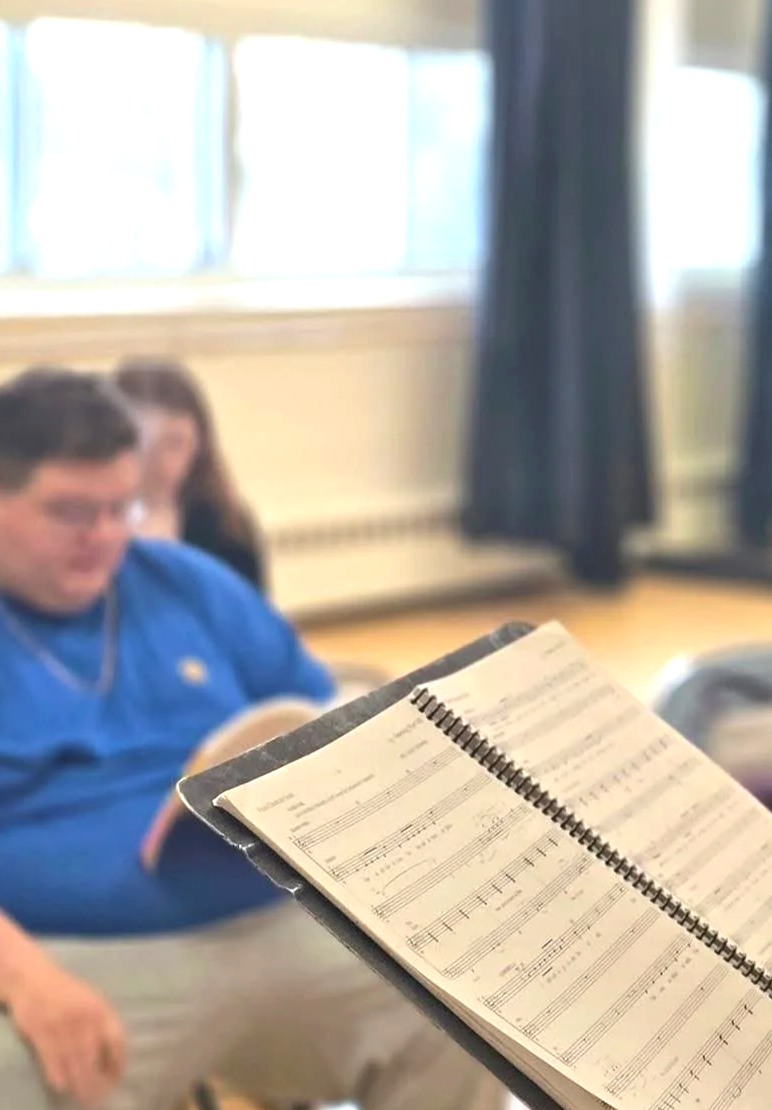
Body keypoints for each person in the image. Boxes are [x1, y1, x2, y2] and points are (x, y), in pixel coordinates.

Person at [0, 368, 501, 1110]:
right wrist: (26, 979)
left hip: (275, 914)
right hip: (73, 955)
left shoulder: (184, 581)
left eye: (120, 506)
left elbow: (322, 716)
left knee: (460, 1011)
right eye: (71, 511)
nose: (105, 536)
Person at [110, 359, 267, 594]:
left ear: (200, 445)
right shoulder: (91, 526)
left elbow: (251, 618)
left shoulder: (226, 527)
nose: (157, 464)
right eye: (140, 444)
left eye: (174, 443)